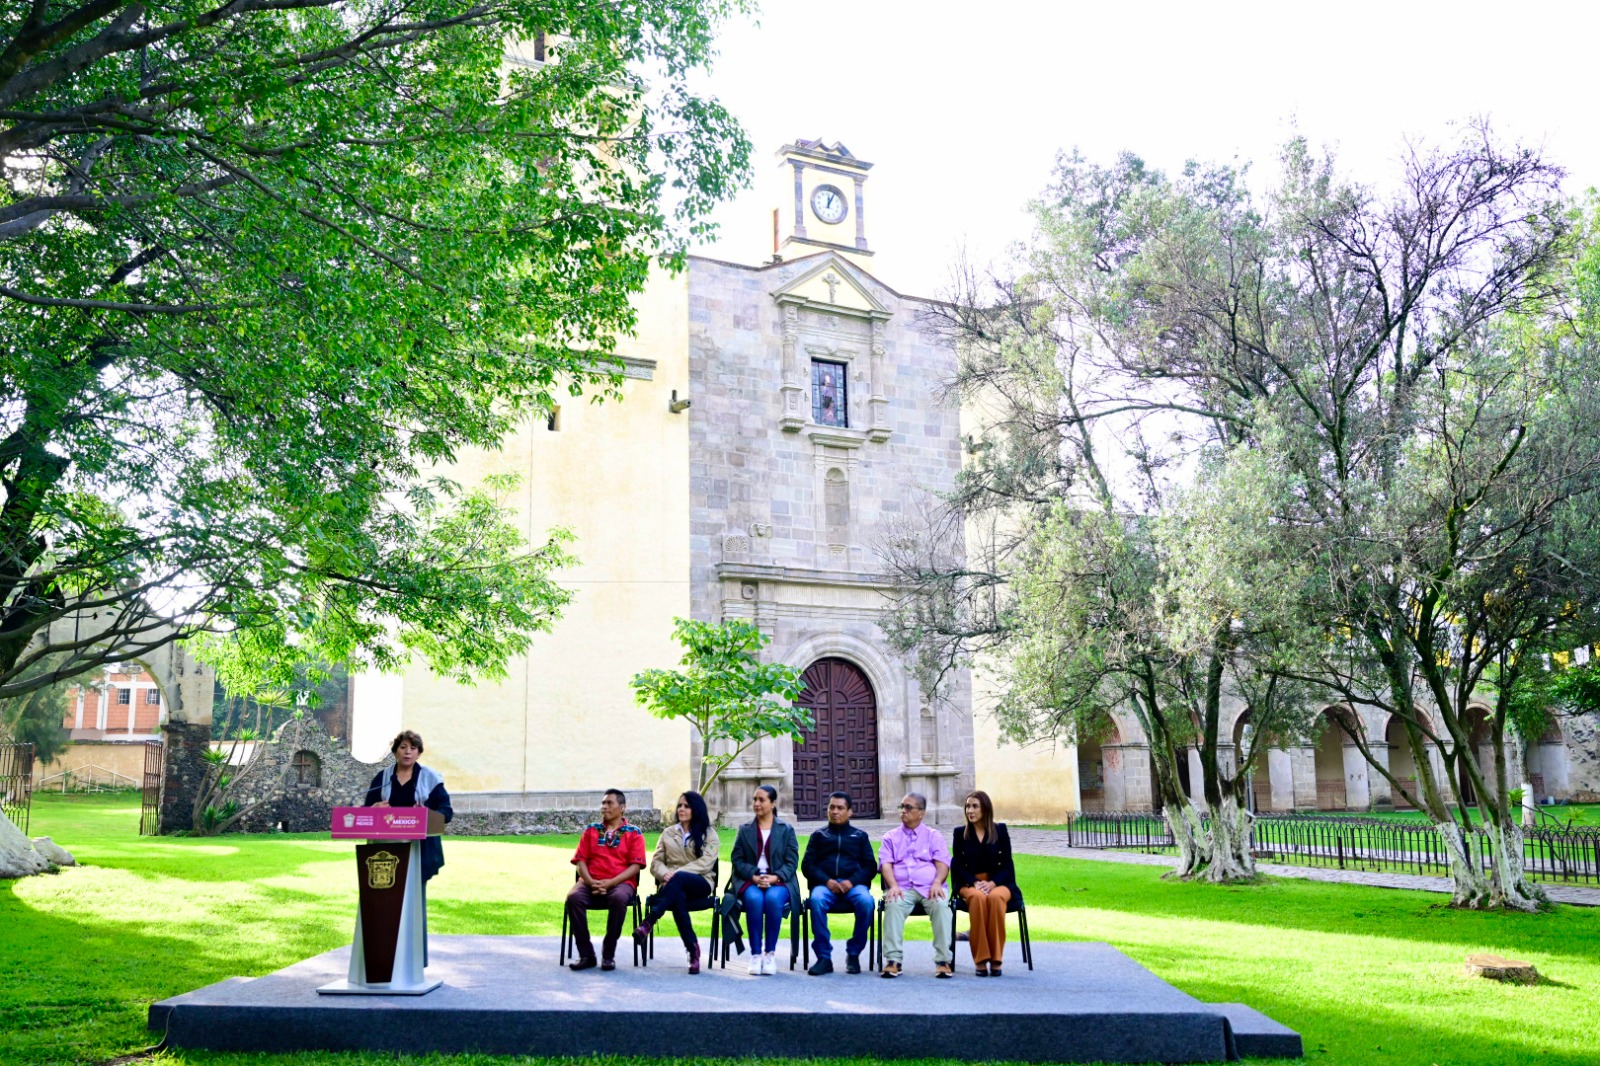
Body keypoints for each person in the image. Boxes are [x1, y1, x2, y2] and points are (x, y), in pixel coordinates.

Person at [634, 790, 719, 974]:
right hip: (672, 886)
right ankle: (693, 951)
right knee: (677, 897)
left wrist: (677, 873)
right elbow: (656, 862)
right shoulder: (667, 833)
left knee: (678, 881)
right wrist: (665, 874)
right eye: (680, 805)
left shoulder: (709, 834)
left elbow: (706, 863)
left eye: (686, 806)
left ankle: (650, 920)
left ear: (696, 809)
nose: (681, 809)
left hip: (701, 883)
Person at [566, 788, 647, 971]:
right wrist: (590, 881)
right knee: (574, 898)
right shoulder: (591, 830)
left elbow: (635, 866)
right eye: (603, 803)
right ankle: (586, 955)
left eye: (609, 803)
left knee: (618, 899)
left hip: (621, 884)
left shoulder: (634, 833)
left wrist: (610, 883)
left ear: (622, 807)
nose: (604, 807)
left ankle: (608, 954)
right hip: (589, 882)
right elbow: (580, 861)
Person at [878, 791, 954, 979]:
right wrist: (893, 885)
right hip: (902, 888)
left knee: (942, 906)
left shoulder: (933, 836)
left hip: (930, 888)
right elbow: (885, 864)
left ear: (921, 812)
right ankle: (893, 961)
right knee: (893, 905)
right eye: (902, 807)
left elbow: (943, 862)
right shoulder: (890, 837)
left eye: (908, 807)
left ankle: (943, 961)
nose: (903, 811)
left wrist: (938, 882)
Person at [801, 791, 876, 975]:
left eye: (840, 808)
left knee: (867, 902)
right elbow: (807, 865)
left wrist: (852, 881)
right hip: (825, 886)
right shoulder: (819, 836)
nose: (835, 811)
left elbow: (870, 866)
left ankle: (854, 953)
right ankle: (824, 957)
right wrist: (827, 881)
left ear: (850, 812)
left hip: (854, 886)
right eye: (832, 807)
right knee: (816, 900)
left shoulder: (860, 836)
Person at [363, 730, 453, 883]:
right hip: (385, 851)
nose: (407, 752)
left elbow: (446, 812)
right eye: (403, 747)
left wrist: (427, 813)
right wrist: (373, 810)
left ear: (418, 754)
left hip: (420, 849)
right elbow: (365, 811)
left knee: (414, 899)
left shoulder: (431, 778)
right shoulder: (382, 778)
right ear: (395, 752)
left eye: (413, 748)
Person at [728, 784, 799, 975]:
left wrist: (776, 877)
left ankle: (770, 954)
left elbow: (792, 862)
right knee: (754, 899)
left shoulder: (786, 830)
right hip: (751, 880)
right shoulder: (745, 830)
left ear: (773, 803)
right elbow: (737, 859)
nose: (756, 803)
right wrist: (753, 875)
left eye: (761, 800)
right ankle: (756, 954)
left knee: (773, 900)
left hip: (779, 881)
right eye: (754, 800)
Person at [950, 790, 1017, 977]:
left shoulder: (1000, 831)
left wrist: (993, 883)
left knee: (996, 899)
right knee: (978, 899)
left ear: (985, 809)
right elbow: (957, 866)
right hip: (970, 884)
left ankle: (996, 959)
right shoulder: (959, 834)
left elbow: (1007, 865)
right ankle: (980, 960)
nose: (970, 810)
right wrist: (974, 882)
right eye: (967, 806)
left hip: (998, 883)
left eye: (974, 806)